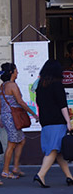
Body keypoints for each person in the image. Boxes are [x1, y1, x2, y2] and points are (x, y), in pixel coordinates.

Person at [33, 60, 73, 188]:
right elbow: (62, 105)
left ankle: (69, 177)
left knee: (58, 150)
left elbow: (39, 103)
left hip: (46, 122)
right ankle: (41, 174)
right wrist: (68, 122)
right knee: (53, 150)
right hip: (57, 121)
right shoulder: (57, 85)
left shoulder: (40, 86)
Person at [0, 62, 38, 179]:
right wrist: (33, 114)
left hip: (7, 116)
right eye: (16, 70)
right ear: (11, 72)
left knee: (21, 141)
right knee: (12, 144)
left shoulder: (2, 86)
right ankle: (5, 171)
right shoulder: (12, 85)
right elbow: (20, 102)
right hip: (13, 117)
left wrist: (2, 117)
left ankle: (15, 167)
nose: (17, 72)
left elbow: (0, 103)